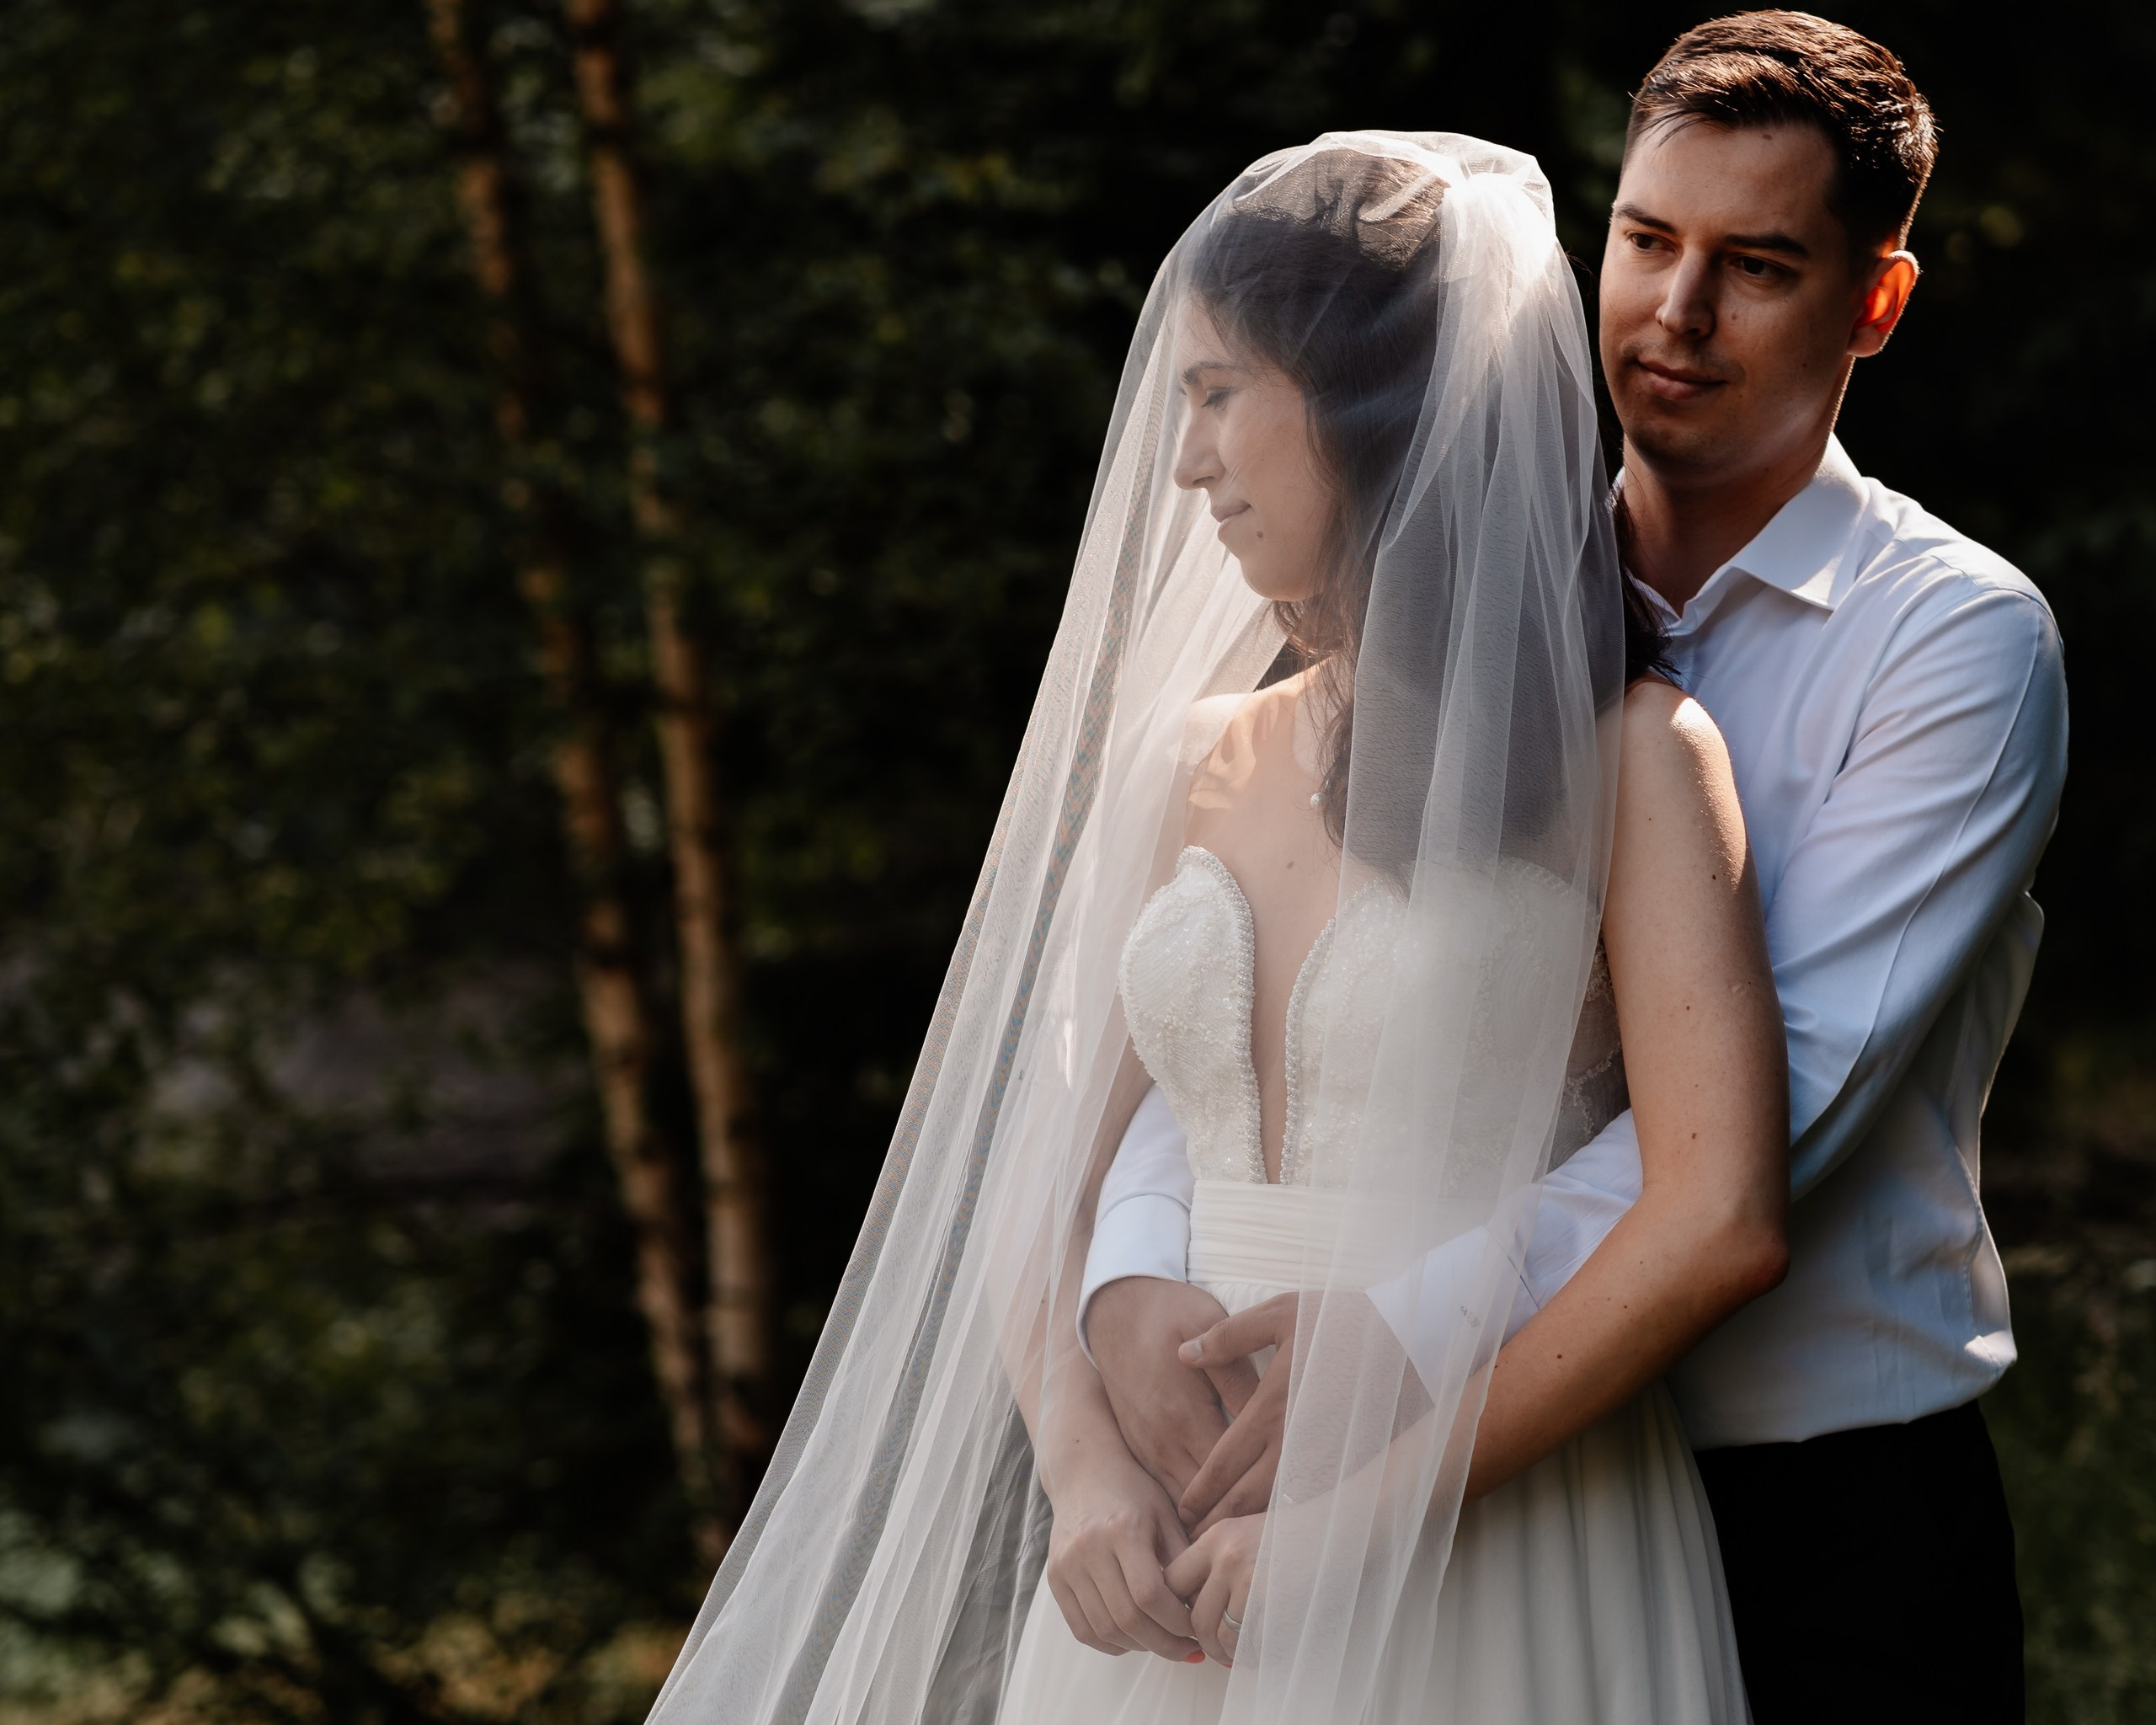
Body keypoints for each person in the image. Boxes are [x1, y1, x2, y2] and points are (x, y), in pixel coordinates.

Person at [652, 131, 1781, 1725]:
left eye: (1219, 391)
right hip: (1174, 1565)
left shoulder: (1638, 765)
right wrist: (1086, 1467)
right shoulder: (1186, 758)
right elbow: (1035, 1178)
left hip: (1495, 1520)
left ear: (1382, 411)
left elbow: (1720, 1212)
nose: (1186, 463)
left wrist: (1358, 1514)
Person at [1083, 17, 2067, 1724]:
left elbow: (1776, 1118)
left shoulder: (1949, 646)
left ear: (1872, 305)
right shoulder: (1413, 615)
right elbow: (1252, 1018)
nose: (1672, 315)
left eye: (1755, 265)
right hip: (1397, 1481)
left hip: (1802, 1489)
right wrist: (1138, 1271)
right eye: (1643, 240)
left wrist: (1395, 1314)